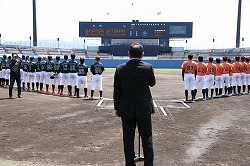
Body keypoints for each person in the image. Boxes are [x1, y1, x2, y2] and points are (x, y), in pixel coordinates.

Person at [113, 43, 156, 166]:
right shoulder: (148, 67)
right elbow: (152, 83)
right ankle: (149, 164)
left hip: (126, 108)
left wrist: (117, 108)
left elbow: (117, 90)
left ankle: (130, 163)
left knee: (128, 138)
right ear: (143, 54)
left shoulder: (120, 68)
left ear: (128, 54)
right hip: (144, 108)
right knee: (147, 138)